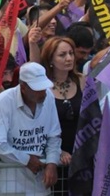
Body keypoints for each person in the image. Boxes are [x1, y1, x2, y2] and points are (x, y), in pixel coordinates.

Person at [0, 62, 62, 195]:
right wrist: (26, 159)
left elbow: (54, 136)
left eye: (44, 87)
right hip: (10, 182)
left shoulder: (49, 97)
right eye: (37, 89)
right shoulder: (4, 101)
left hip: (40, 181)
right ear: (23, 88)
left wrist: (52, 162)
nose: (43, 92)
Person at [39, 36, 83, 193]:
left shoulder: (81, 81)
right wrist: (57, 152)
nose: (69, 58)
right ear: (50, 59)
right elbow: (39, 125)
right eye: (62, 55)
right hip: (52, 158)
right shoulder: (42, 88)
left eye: (71, 53)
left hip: (80, 156)